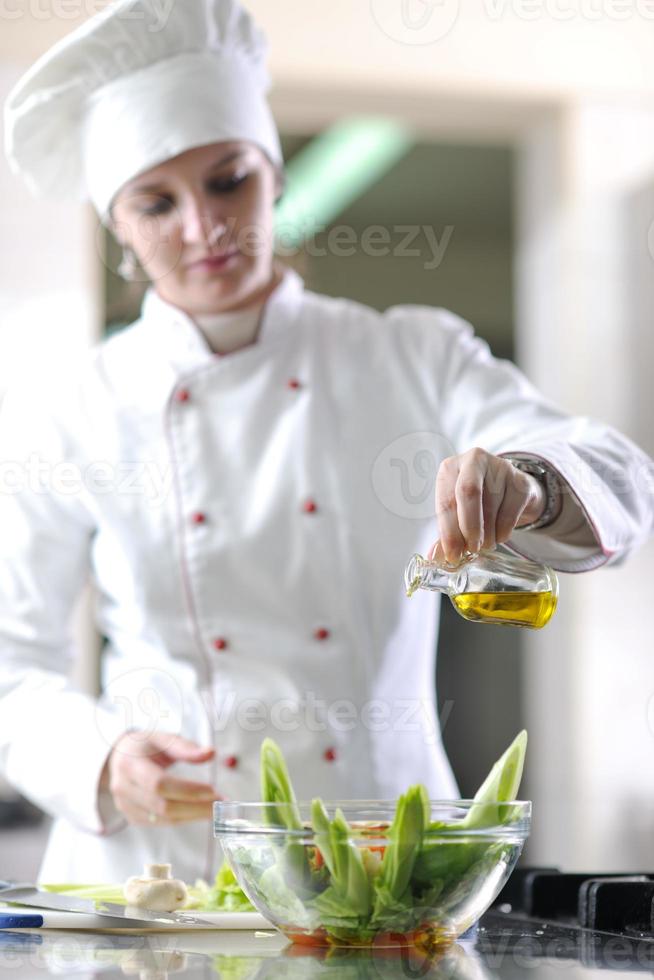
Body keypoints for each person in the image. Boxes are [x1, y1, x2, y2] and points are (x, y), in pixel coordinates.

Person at [1, 0, 652, 885]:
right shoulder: (74, 404)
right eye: (157, 202)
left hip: (383, 854)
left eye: (228, 180)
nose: (203, 228)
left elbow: (612, 469)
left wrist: (529, 482)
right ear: (120, 227)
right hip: (159, 871)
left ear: (272, 173)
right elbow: (12, 664)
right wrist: (102, 759)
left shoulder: (410, 352)